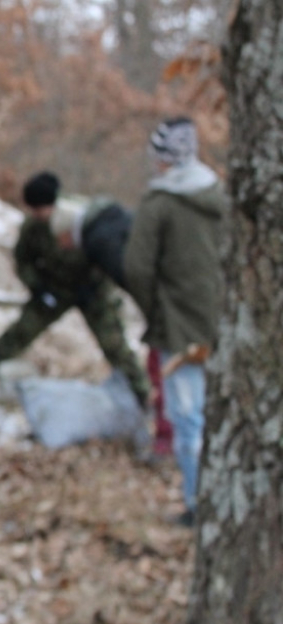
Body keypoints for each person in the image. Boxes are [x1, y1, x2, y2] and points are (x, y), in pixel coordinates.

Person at [0, 171, 150, 409]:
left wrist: (99, 285)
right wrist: (39, 288)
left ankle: (142, 395)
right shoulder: (33, 228)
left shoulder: (80, 216)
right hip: (53, 292)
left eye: (41, 209)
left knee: (114, 344)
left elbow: (107, 254)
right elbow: (22, 261)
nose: (38, 214)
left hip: (94, 293)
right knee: (18, 335)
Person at [122, 116, 225, 527]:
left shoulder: (159, 203)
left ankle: (198, 504)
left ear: (164, 159)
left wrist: (155, 310)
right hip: (226, 324)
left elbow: (136, 267)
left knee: (188, 418)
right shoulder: (221, 196)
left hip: (180, 328)